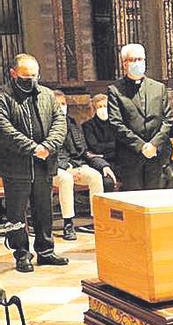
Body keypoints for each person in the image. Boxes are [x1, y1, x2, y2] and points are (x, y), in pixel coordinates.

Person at [0, 54, 69, 272]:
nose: (31, 80)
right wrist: (33, 148)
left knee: (43, 210)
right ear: (14, 74)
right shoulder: (3, 97)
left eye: (34, 76)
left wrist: (48, 146)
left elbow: (60, 122)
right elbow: (5, 130)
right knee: (16, 214)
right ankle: (21, 254)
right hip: (15, 166)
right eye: (25, 76)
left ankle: (46, 250)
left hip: (43, 165)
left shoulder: (47, 95)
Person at [107, 43, 172, 191]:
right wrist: (141, 146)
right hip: (131, 156)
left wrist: (154, 144)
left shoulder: (158, 88)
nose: (138, 63)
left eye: (141, 59)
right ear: (124, 63)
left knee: (154, 201)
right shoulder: (115, 90)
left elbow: (168, 119)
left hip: (155, 154)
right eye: (133, 60)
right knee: (135, 203)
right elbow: (116, 123)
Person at [51, 90, 106, 241]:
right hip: (53, 168)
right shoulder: (46, 125)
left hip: (74, 164)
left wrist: (76, 165)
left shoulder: (72, 122)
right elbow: (48, 151)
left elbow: (81, 149)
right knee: (66, 179)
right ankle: (68, 223)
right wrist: (66, 167)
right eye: (58, 104)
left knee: (95, 176)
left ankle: (97, 220)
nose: (62, 107)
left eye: (63, 104)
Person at [82, 94, 120, 192]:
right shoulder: (88, 126)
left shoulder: (117, 124)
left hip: (117, 161)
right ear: (94, 109)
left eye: (105, 106)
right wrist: (114, 147)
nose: (103, 109)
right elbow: (95, 147)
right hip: (100, 163)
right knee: (108, 182)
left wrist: (104, 154)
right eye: (99, 107)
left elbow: (122, 145)